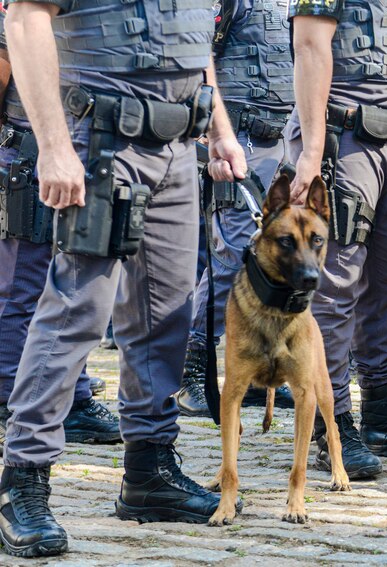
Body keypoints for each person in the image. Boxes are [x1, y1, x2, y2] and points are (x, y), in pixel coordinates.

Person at [0, 0, 247, 556]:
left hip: (180, 140)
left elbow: (193, 43)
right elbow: (24, 20)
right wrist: (54, 147)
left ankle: (149, 472)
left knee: (167, 312)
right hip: (102, 138)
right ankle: (23, 481)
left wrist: (220, 131)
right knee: (77, 312)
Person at [287, 0, 387, 481]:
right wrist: (312, 151)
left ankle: (381, 412)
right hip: (344, 139)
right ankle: (329, 424)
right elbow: (311, 45)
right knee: (334, 289)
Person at [0, 13, 119, 449]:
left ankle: (75, 395)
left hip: (77, 154)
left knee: (70, 286)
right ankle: (8, 395)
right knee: (23, 288)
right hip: (29, 158)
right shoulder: (20, 13)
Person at [177, 0, 296, 418]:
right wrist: (213, 135)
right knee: (232, 260)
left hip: (282, 138)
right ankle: (192, 369)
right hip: (237, 138)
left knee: (273, 262)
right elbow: (197, 55)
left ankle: (254, 372)